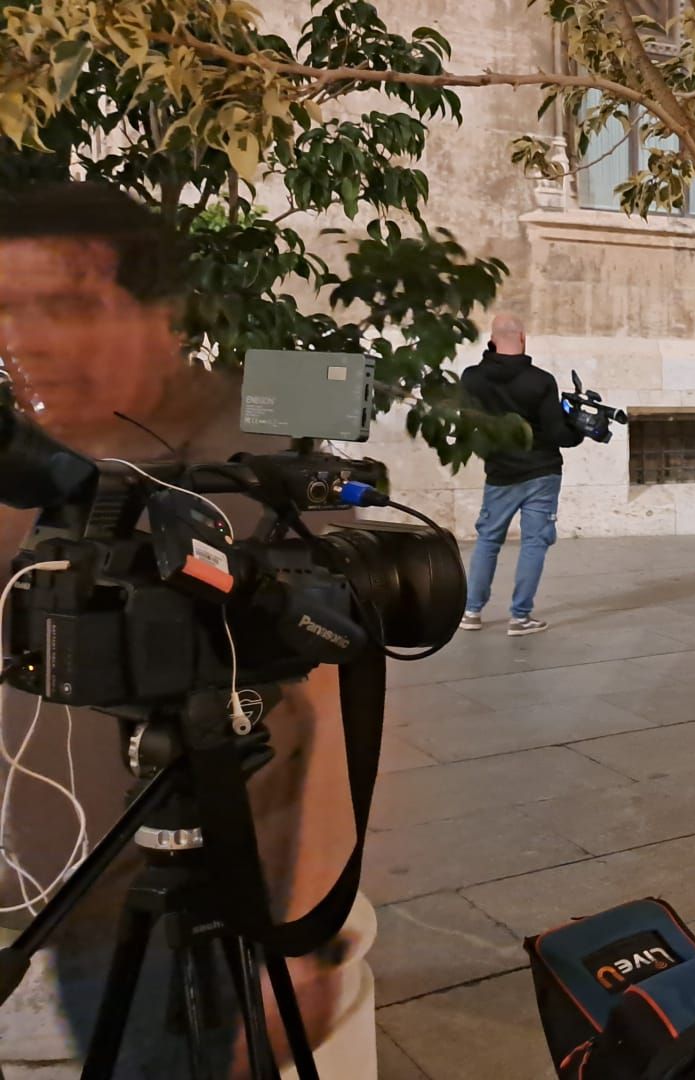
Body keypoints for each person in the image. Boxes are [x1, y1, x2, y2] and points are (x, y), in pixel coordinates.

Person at [0, 182, 375, 1077]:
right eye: (7, 310)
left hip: (216, 907)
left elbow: (336, 699)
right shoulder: (35, 460)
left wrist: (307, 935)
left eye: (65, 305)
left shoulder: (249, 460)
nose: (27, 343)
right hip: (70, 902)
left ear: (162, 313)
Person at [458, 314, 584, 636]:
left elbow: (466, 427)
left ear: (492, 338)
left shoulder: (471, 378)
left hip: (500, 473)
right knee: (534, 543)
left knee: (488, 539)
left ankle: (471, 611)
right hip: (542, 472)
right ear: (523, 338)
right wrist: (580, 430)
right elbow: (558, 434)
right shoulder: (540, 381)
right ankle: (520, 617)